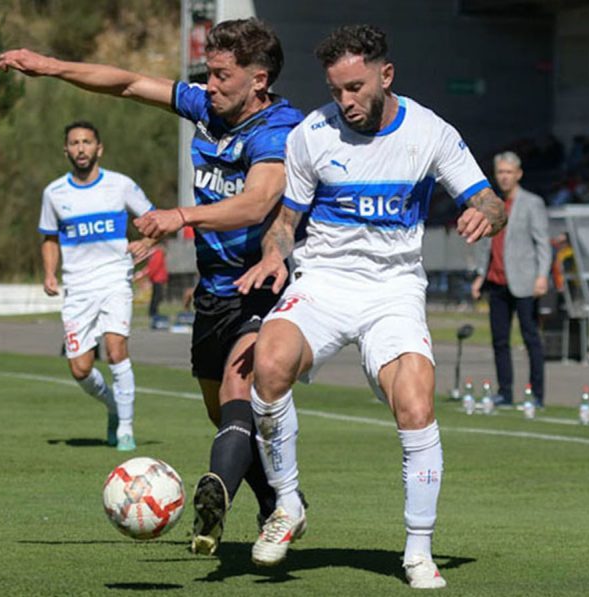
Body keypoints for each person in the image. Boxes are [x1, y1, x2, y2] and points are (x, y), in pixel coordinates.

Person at [0, 18, 304, 556]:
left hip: (262, 282)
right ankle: (280, 502)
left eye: (222, 76)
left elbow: (256, 203)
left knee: (237, 394)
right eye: (207, 74)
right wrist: (51, 67)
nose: (209, 85)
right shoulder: (207, 106)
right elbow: (127, 83)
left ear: (258, 80)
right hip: (214, 289)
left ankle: (219, 501)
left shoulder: (280, 130)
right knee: (222, 412)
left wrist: (180, 216)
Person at [235, 25, 506, 588]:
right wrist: (273, 256)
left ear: (385, 76)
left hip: (393, 287)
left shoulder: (429, 132)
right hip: (326, 280)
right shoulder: (313, 134)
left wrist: (488, 212)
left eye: (355, 88)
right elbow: (286, 225)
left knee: (415, 399)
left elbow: (487, 198)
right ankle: (287, 505)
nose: (345, 102)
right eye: (336, 91)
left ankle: (417, 548)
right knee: (270, 361)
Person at [38, 120, 155, 452]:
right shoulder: (54, 193)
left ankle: (127, 430)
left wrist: (147, 241)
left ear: (98, 148)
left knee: (117, 349)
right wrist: (50, 272)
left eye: (87, 142)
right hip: (78, 288)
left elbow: (154, 218)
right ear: (66, 150)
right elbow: (48, 237)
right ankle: (114, 409)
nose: (81, 148)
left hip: (115, 279)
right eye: (74, 143)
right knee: (80, 368)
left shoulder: (120, 186)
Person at [472, 151, 550, 408]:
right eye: (500, 172)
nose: (504, 177)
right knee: (499, 340)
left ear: (518, 174)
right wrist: (480, 276)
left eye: (508, 172)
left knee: (531, 338)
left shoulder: (532, 203)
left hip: (524, 281)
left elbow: (543, 243)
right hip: (496, 280)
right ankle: (505, 392)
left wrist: (542, 276)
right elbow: (486, 243)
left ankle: (536, 394)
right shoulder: (491, 203)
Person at [134, 242, 169, 321]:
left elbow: (153, 266)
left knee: (156, 296)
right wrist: (148, 275)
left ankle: (153, 311)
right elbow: (154, 266)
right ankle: (153, 312)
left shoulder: (156, 253)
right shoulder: (158, 253)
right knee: (157, 296)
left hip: (157, 277)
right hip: (158, 278)